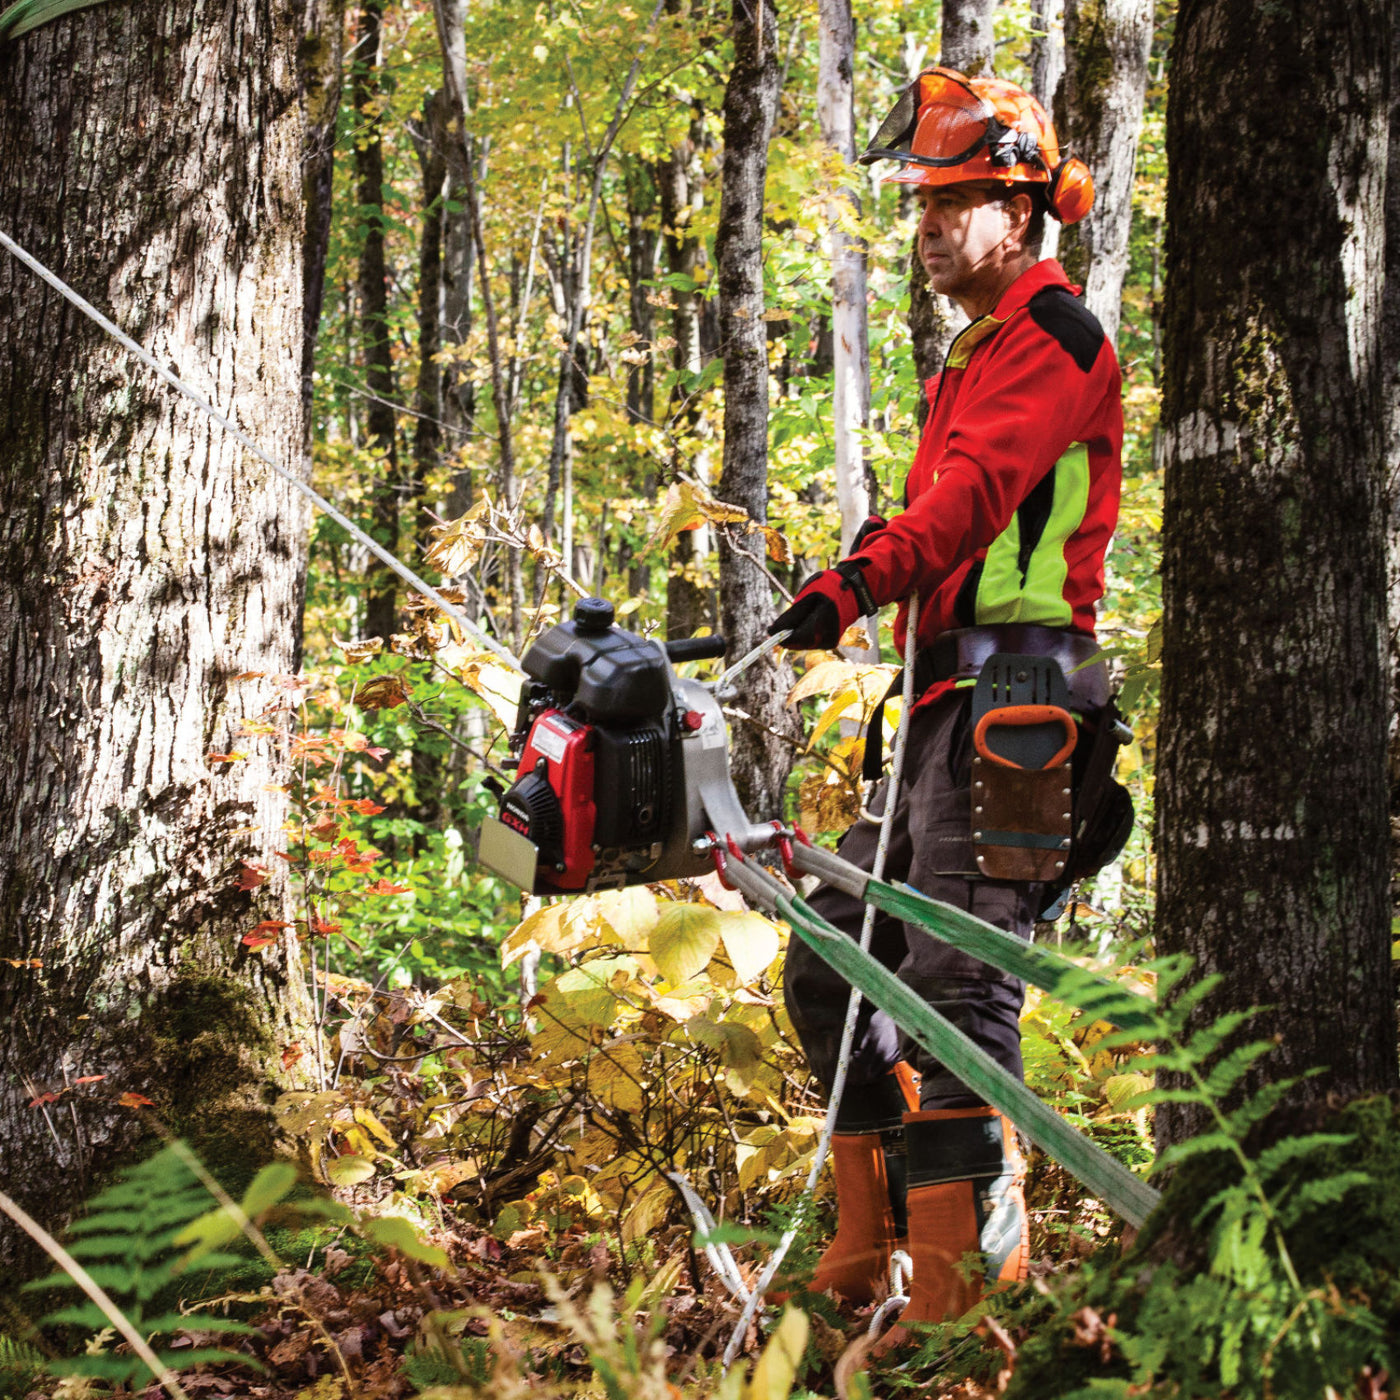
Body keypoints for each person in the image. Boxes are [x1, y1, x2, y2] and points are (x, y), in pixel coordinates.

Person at [768, 68, 1123, 1345]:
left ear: (1019, 213)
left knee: (956, 984)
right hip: (941, 706)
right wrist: (857, 572)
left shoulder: (1055, 338)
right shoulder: (971, 353)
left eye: (957, 197)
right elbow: (946, 513)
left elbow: (969, 501)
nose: (927, 220)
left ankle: (965, 1299)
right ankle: (867, 1247)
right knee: (833, 962)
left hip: (1019, 699)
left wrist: (859, 579)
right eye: (921, 197)